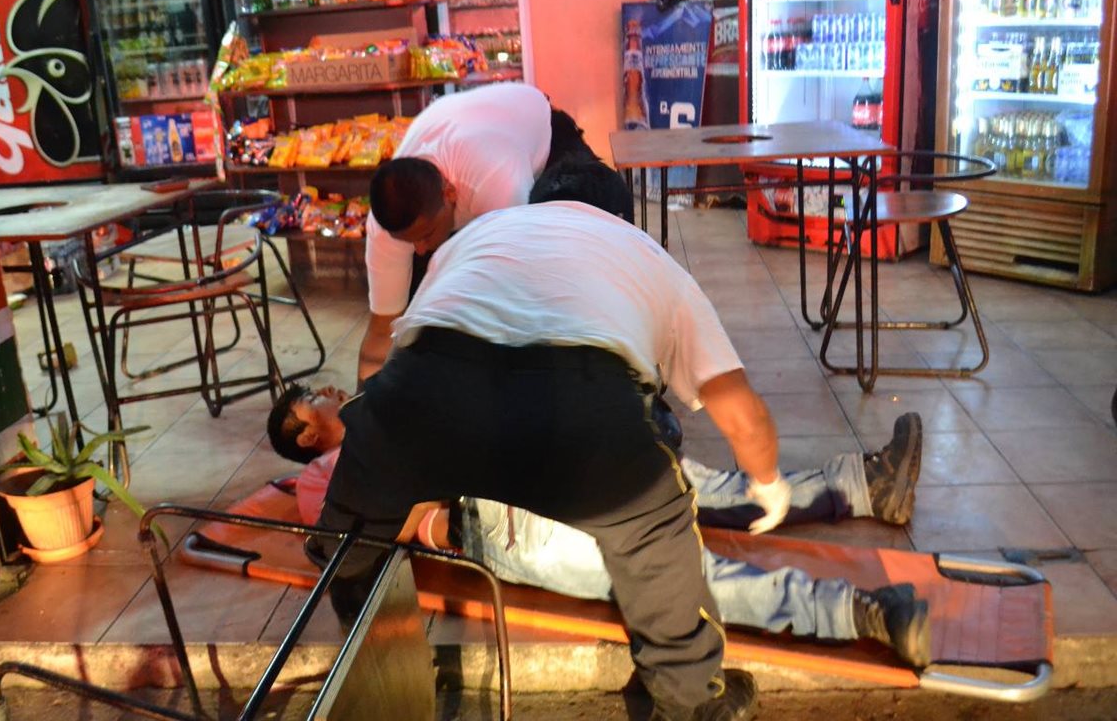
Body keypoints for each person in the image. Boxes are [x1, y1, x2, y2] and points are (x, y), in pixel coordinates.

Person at [299, 197, 892, 721]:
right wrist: (767, 482)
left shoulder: (478, 237)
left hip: (420, 394)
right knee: (659, 538)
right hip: (575, 411)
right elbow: (740, 413)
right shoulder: (653, 262)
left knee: (349, 553)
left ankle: (378, 677)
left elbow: (411, 344)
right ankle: (688, 700)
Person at [269, 387, 931, 669]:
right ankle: (863, 613)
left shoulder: (381, 399)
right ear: (305, 430)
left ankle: (862, 487)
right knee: (682, 580)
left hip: (538, 463)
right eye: (311, 398)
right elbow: (354, 549)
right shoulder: (322, 478)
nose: (326, 393)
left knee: (696, 488)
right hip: (499, 518)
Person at [357, 82, 633, 385]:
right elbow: (382, 331)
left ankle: (618, 372)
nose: (420, 249)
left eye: (425, 235)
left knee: (574, 242)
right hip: (477, 129)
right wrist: (357, 419)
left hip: (542, 131)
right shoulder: (385, 227)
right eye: (409, 241)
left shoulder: (498, 186)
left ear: (450, 193)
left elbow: (515, 295)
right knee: (422, 301)